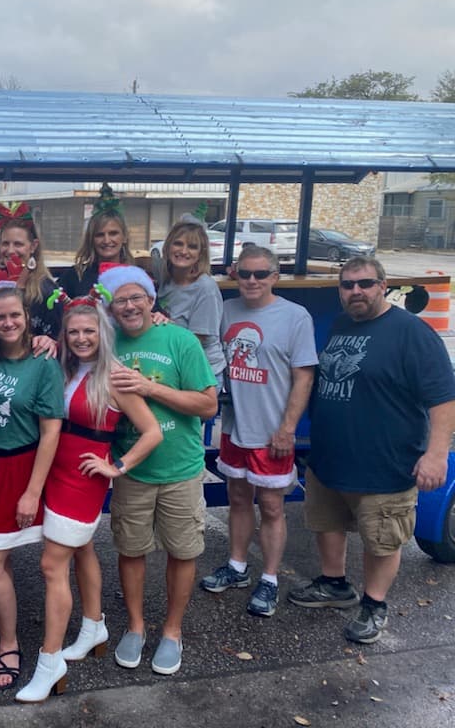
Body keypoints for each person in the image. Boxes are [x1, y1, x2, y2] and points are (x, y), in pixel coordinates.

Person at [287, 258, 455, 643]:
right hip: (331, 458)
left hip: (386, 462)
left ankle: (374, 604)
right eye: (347, 285)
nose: (356, 291)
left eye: (364, 283)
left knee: (382, 538)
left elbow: (444, 398)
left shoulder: (411, 333)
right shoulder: (342, 325)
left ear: (383, 285)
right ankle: (334, 584)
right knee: (327, 522)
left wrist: (436, 455)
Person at [16, 297, 162, 703]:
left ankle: (50, 663)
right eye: (74, 332)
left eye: (89, 331)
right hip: (53, 471)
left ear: (103, 334)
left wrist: (117, 466)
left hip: (82, 479)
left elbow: (152, 432)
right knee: (81, 551)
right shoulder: (63, 369)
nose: (81, 338)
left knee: (51, 564)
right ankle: (94, 626)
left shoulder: (114, 376)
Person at [102, 265, 218, 676]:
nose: (129, 306)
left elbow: (208, 405)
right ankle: (135, 626)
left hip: (180, 468)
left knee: (182, 552)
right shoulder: (105, 342)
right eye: (121, 300)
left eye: (137, 297)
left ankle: (172, 631)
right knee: (131, 550)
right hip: (131, 469)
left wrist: (150, 388)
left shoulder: (179, 340)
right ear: (111, 308)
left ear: (152, 301)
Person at [199, 246, 317, 617]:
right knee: (237, 497)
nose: (252, 280)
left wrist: (288, 428)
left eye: (261, 274)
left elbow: (304, 376)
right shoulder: (225, 309)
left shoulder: (295, 317)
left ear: (274, 276)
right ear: (235, 274)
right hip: (235, 426)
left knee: (271, 505)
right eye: (245, 273)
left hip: (272, 431)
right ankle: (237, 566)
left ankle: (269, 578)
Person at [0, 286, 64, 691]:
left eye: (15, 315)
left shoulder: (43, 362)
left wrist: (33, 492)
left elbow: (50, 432)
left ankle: (9, 642)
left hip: (14, 470)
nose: (8, 323)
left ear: (26, 316)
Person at [0, 202, 62, 357]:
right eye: (5, 243)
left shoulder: (48, 290)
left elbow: (59, 338)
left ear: (33, 246)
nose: (10, 250)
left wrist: (51, 341)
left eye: (18, 244)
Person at [156, 219, 226, 390]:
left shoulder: (205, 288)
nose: (183, 251)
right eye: (178, 244)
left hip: (202, 374)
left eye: (192, 247)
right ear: (167, 247)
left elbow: (197, 340)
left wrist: (167, 326)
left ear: (201, 254)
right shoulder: (167, 280)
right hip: (175, 369)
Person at [57, 183, 133, 298]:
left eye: (113, 233)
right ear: (91, 239)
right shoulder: (74, 276)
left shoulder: (136, 275)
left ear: (124, 237)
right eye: (99, 235)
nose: (106, 240)